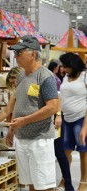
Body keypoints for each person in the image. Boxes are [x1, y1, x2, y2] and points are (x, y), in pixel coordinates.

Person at [7, 35, 59, 191]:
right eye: (15, 53)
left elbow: (52, 107)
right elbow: (19, 104)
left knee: (44, 185)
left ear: (33, 54)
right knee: (31, 183)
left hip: (39, 140)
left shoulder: (45, 77)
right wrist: (12, 129)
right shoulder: (22, 75)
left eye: (19, 53)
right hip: (23, 138)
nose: (15, 57)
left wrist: (26, 120)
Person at [59, 52, 87, 191]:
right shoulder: (66, 77)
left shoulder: (85, 77)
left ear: (73, 65)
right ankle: (65, 179)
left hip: (81, 118)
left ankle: (84, 181)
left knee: (83, 151)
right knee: (65, 151)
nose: (63, 69)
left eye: (66, 66)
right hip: (66, 118)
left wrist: (85, 127)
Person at [48, 60, 75, 191]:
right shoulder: (57, 79)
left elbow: (59, 98)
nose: (62, 69)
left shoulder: (54, 79)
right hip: (54, 118)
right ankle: (64, 184)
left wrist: (58, 115)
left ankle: (67, 184)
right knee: (58, 153)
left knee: (59, 152)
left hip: (57, 118)